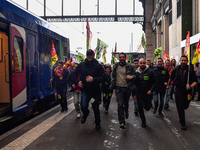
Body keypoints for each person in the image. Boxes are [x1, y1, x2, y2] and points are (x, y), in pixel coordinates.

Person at [71, 49, 105, 130]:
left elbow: (104, 78)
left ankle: (97, 122)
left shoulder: (98, 66)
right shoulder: (82, 65)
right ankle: (85, 114)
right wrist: (77, 82)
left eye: (91, 54)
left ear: (93, 55)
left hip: (95, 91)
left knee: (96, 108)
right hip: (85, 90)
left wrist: (94, 79)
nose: (89, 56)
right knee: (83, 106)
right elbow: (73, 74)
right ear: (86, 56)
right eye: (88, 54)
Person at [167, 56, 197, 130]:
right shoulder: (176, 69)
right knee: (180, 107)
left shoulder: (190, 70)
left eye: (185, 60)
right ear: (180, 61)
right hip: (178, 90)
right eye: (182, 60)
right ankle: (182, 123)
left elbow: (195, 81)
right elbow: (171, 78)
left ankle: (184, 108)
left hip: (188, 92)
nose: (183, 62)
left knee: (185, 105)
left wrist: (190, 86)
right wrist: (168, 85)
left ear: (187, 61)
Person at [109, 52, 136, 129]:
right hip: (118, 88)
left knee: (126, 103)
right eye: (120, 57)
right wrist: (112, 85)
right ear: (119, 58)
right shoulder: (115, 66)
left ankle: (126, 112)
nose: (121, 58)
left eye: (123, 57)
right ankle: (122, 122)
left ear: (125, 58)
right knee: (120, 104)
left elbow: (135, 75)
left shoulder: (130, 66)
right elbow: (113, 76)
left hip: (127, 88)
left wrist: (131, 77)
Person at [134, 58, 155, 127]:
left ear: (145, 63)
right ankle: (143, 121)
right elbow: (134, 83)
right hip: (139, 92)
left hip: (147, 93)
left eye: (143, 63)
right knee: (140, 107)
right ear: (139, 64)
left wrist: (151, 90)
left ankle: (146, 105)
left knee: (147, 107)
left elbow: (154, 82)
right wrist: (133, 93)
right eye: (141, 63)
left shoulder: (150, 71)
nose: (142, 64)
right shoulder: (136, 72)